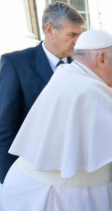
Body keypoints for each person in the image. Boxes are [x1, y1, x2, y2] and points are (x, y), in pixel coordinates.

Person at [0, 29, 112, 211]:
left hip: (31, 188)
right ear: (101, 59)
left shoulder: (67, 73)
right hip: (56, 197)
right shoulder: (88, 88)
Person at [0, 1, 85, 184]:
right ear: (50, 30)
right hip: (33, 173)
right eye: (72, 34)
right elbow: (6, 129)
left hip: (76, 173)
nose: (78, 41)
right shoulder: (15, 64)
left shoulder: (82, 65)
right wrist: (8, 181)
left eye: (80, 34)